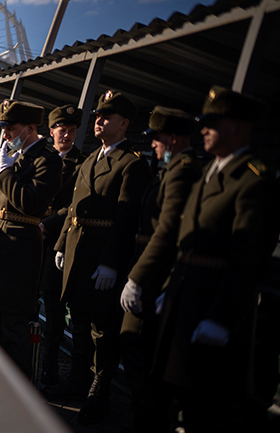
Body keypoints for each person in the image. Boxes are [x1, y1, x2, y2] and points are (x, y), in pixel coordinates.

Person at [154, 87, 279, 433]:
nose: (203, 128)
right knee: (175, 403)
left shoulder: (254, 180)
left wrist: (221, 318)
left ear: (238, 127)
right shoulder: (211, 172)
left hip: (213, 314)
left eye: (212, 121)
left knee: (207, 413)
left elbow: (248, 260)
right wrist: (170, 287)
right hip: (185, 305)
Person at [47, 90, 152, 425]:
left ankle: (98, 390)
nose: (99, 121)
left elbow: (126, 219)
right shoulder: (90, 160)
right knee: (78, 321)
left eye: (107, 117)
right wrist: (62, 244)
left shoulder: (132, 164)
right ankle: (78, 380)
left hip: (102, 256)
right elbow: (73, 210)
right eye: (97, 117)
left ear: (124, 124)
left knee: (102, 329)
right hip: (78, 252)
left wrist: (111, 262)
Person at [118, 106, 201, 433]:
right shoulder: (172, 169)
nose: (152, 143)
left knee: (140, 356)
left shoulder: (182, 170)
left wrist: (138, 278)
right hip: (152, 274)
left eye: (157, 138)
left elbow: (167, 230)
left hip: (156, 278)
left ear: (174, 138)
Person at [0, 100, 62, 378]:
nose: (6, 133)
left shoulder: (48, 159)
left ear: (31, 128)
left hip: (18, 253)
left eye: (11, 127)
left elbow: (28, 202)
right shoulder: (15, 156)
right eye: (4, 128)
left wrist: (4, 172)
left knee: (14, 329)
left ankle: (18, 392)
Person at [37, 104, 86, 386]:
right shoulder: (40, 158)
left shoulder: (82, 163)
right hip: (33, 240)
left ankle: (49, 369)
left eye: (71, 130)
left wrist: (48, 225)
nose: (66, 135)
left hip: (58, 242)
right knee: (28, 308)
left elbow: (72, 206)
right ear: (51, 131)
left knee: (55, 314)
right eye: (61, 130)